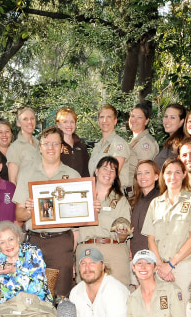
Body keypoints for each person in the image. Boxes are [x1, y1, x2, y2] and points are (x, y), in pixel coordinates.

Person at [14, 127, 81, 297]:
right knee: (33, 294)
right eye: (46, 143)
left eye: (55, 143)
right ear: (40, 147)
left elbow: (78, 223)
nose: (50, 147)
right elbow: (19, 215)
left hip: (61, 242)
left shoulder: (73, 176)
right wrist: (32, 210)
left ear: (61, 147)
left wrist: (72, 252)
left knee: (61, 295)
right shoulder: (27, 173)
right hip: (34, 240)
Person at [142, 158, 191, 297]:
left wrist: (170, 265)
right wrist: (160, 265)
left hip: (184, 267)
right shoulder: (155, 203)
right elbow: (151, 239)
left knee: (186, 313)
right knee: (163, 314)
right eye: (169, 173)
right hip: (160, 269)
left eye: (177, 172)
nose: (173, 177)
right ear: (163, 175)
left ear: (184, 174)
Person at [76, 156, 132, 287]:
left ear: (115, 176)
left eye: (113, 171)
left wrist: (123, 234)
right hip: (86, 251)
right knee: (86, 296)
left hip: (113, 252)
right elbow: (74, 230)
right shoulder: (80, 195)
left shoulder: (121, 200)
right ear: (96, 171)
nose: (108, 173)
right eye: (105, 168)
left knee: (118, 294)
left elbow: (123, 236)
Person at [88, 104, 130, 178]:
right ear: (98, 121)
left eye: (109, 117)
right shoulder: (97, 147)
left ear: (115, 121)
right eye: (102, 117)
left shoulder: (118, 144)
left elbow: (113, 176)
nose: (105, 120)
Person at [124, 103, 159, 191]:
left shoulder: (145, 143)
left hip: (137, 193)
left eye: (139, 117)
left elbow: (145, 176)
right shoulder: (136, 140)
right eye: (132, 116)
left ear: (146, 121)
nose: (134, 120)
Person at [129, 160, 160, 256]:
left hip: (154, 257)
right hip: (135, 257)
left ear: (156, 176)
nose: (143, 177)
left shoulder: (162, 200)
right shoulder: (132, 201)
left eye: (147, 172)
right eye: (139, 173)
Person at [6, 107, 41, 183]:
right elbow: (12, 180)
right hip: (24, 193)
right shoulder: (14, 148)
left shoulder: (41, 144)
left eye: (32, 118)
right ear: (18, 123)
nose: (30, 122)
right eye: (25, 119)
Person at [56, 107, 90, 177]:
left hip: (80, 186)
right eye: (65, 122)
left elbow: (87, 173)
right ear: (58, 124)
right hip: (60, 187)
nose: (69, 125)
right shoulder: (55, 146)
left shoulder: (82, 147)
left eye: (72, 122)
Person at [153, 104, 186, 170]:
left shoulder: (182, 144)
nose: (167, 121)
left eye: (172, 117)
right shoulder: (170, 142)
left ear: (181, 122)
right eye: (166, 116)